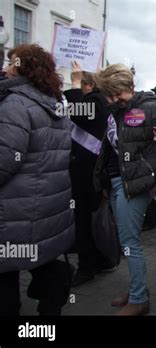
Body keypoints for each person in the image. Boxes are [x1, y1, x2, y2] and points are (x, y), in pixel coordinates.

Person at [0, 44, 75, 315]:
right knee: (42, 261)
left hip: (15, 211)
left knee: (5, 277)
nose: (6, 69)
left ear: (24, 68)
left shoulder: (15, 104)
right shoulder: (54, 104)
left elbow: (5, 161)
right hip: (46, 209)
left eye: (11, 64)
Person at [94, 63, 156, 315]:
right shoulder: (116, 110)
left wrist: (154, 176)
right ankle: (137, 289)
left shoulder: (150, 107)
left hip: (135, 185)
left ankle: (139, 300)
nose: (113, 100)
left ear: (130, 87)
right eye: (109, 95)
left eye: (117, 93)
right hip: (116, 181)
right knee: (126, 242)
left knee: (130, 242)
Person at [63, 61, 112, 287]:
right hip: (89, 171)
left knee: (84, 221)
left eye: (82, 84)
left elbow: (78, 114)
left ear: (89, 84)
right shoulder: (97, 100)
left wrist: (73, 84)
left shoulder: (96, 101)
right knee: (89, 220)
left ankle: (86, 266)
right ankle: (99, 259)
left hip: (87, 174)